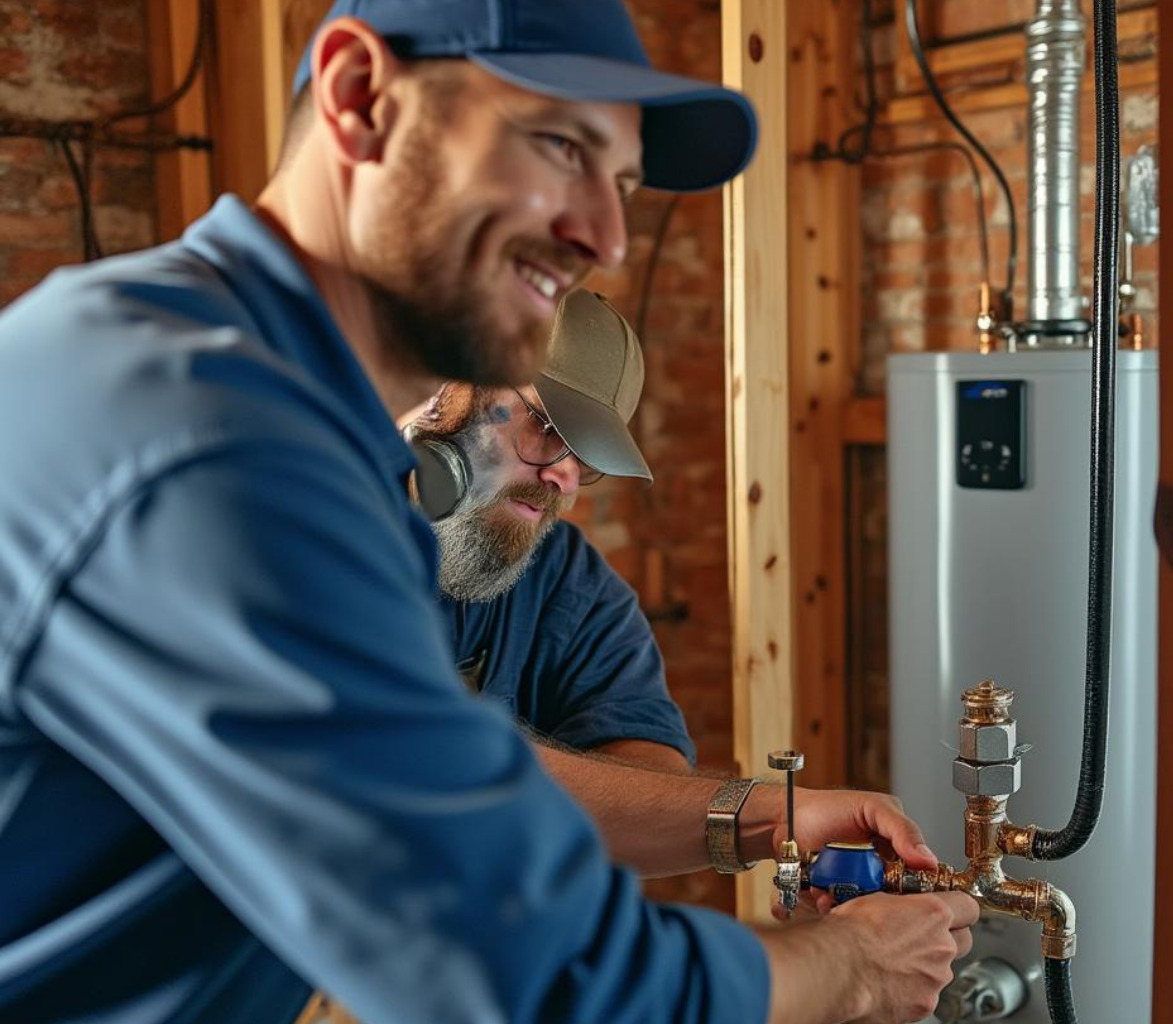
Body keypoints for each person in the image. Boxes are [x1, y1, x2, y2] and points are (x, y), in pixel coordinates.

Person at [0, 3, 979, 1024]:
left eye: (625, 183)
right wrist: (851, 964)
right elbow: (542, 976)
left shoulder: (273, 417)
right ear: (358, 97)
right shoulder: (204, 436)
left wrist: (759, 818)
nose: (603, 233)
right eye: (561, 144)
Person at [415, 289, 693, 772]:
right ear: (449, 391)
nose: (564, 478)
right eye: (545, 426)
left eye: (585, 457)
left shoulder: (565, 576)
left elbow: (655, 770)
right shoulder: (316, 531)